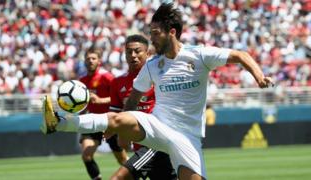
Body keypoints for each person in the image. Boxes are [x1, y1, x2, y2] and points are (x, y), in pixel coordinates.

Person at [41, 3, 274, 180]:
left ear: (171, 32)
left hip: (188, 138)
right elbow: (133, 99)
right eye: (150, 33)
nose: (151, 38)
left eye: (155, 33)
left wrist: (259, 76)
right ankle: (60, 122)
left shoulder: (199, 55)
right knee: (117, 117)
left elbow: (240, 55)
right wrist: (119, 127)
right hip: (158, 126)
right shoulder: (152, 65)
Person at [108, 34, 176, 179]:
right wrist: (119, 133)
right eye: (129, 52)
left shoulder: (160, 77)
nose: (133, 55)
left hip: (156, 142)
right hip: (139, 145)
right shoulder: (117, 83)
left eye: (137, 51)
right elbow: (115, 114)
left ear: (148, 53)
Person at [79, 48, 128, 180]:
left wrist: (101, 100)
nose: (90, 61)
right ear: (84, 61)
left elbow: (119, 97)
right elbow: (83, 104)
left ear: (99, 61)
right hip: (92, 121)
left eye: (93, 58)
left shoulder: (107, 77)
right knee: (86, 155)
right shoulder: (82, 80)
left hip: (109, 121)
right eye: (88, 59)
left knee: (122, 160)